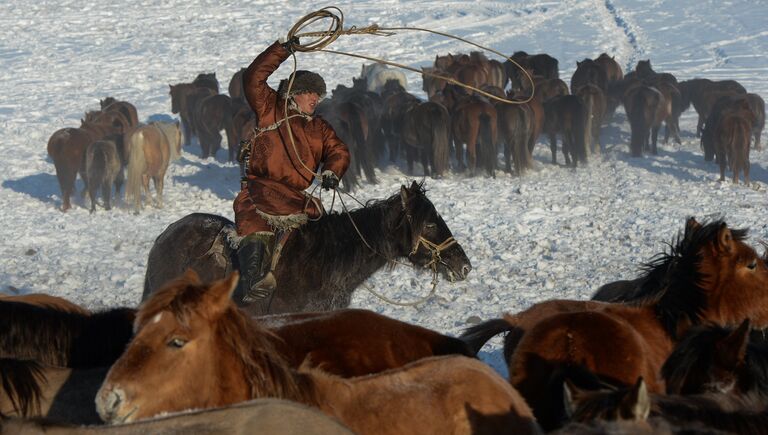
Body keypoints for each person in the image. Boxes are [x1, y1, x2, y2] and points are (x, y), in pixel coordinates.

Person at [234, 36, 350, 303]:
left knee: (319, 222)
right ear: (295, 92)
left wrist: (333, 170)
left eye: (318, 96)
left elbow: (338, 150)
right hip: (262, 187)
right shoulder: (270, 107)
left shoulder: (319, 127)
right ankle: (253, 281)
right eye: (310, 93)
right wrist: (282, 49)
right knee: (255, 218)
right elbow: (253, 78)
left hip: (297, 196)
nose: (315, 99)